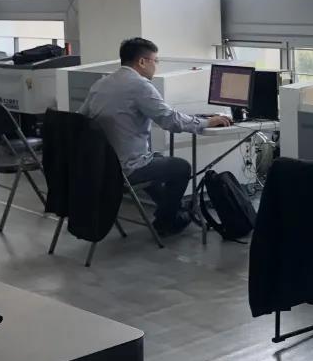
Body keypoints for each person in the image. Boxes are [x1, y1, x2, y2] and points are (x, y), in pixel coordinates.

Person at [79, 38, 231, 236]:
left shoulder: (101, 84)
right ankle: (167, 221)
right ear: (142, 62)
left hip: (100, 166)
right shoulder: (139, 85)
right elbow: (169, 120)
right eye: (155, 61)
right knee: (181, 167)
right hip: (126, 169)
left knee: (156, 158)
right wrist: (206, 123)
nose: (156, 66)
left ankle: (170, 212)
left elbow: (81, 119)